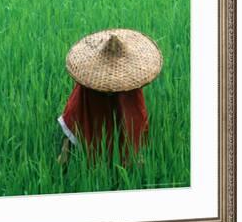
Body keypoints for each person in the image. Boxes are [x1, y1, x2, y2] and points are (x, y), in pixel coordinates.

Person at [57, 28, 163, 165]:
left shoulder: (130, 90)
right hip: (94, 101)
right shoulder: (87, 86)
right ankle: (73, 150)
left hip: (123, 100)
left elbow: (134, 116)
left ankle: (129, 154)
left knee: (126, 115)